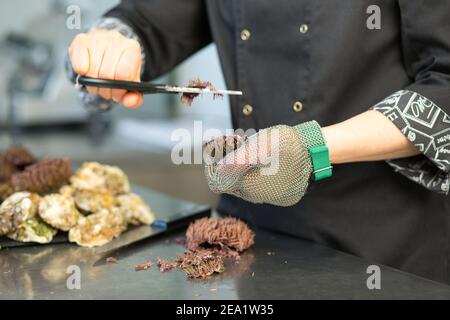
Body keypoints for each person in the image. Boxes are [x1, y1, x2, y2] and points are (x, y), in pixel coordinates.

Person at [68, 0, 450, 283]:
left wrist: (312, 146)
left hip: (384, 251)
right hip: (249, 242)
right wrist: (113, 42)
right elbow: (149, 20)